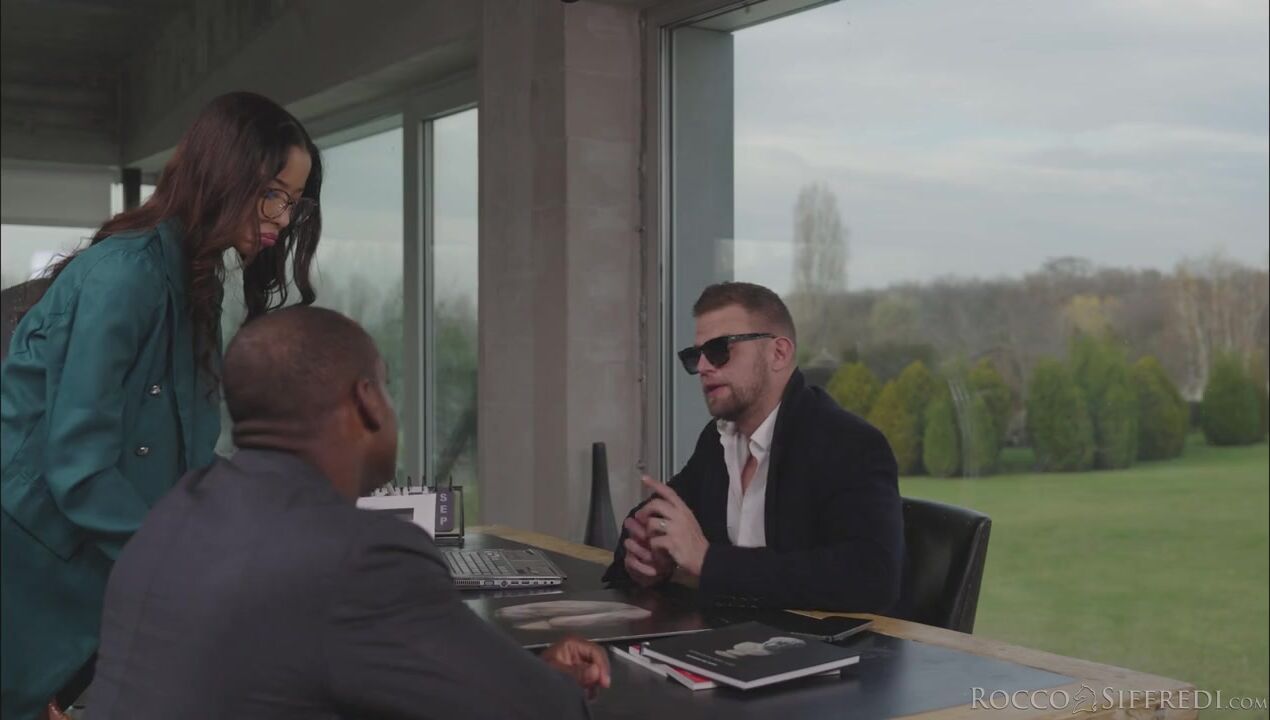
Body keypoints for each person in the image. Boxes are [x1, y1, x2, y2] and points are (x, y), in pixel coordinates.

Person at [87, 307, 609, 718]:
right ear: (366, 402)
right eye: (385, 385)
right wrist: (552, 682)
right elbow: (542, 712)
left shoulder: (175, 512)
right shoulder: (360, 555)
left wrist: (511, 674)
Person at [0, 91, 324, 718]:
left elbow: (182, 456)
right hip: (33, 587)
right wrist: (185, 564)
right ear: (226, 174)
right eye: (274, 194)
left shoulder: (194, 277)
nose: (284, 218)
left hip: (90, 578)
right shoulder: (127, 274)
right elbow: (80, 467)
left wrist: (281, 503)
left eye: (294, 202)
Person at [603, 282, 904, 612]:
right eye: (695, 355)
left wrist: (709, 561)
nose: (703, 367)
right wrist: (646, 559)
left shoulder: (849, 444)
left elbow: (871, 577)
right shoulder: (718, 439)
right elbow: (653, 520)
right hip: (726, 636)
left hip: (813, 644)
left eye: (719, 349)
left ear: (779, 353)